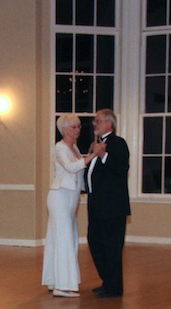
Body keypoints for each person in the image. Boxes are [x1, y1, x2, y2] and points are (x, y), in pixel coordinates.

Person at [42, 113, 96, 298]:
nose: (78, 130)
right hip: (60, 197)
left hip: (70, 198)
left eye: (79, 126)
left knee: (64, 237)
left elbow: (78, 171)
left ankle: (54, 280)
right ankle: (62, 286)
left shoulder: (73, 148)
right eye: (74, 127)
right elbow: (71, 167)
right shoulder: (60, 147)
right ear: (64, 129)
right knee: (64, 238)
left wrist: (89, 156)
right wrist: (93, 155)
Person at [86, 108, 131, 298]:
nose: (95, 124)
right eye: (95, 121)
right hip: (96, 205)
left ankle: (114, 288)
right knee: (95, 242)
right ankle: (107, 281)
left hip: (112, 207)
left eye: (98, 120)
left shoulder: (118, 144)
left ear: (109, 123)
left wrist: (103, 155)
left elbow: (121, 170)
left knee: (112, 247)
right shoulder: (96, 145)